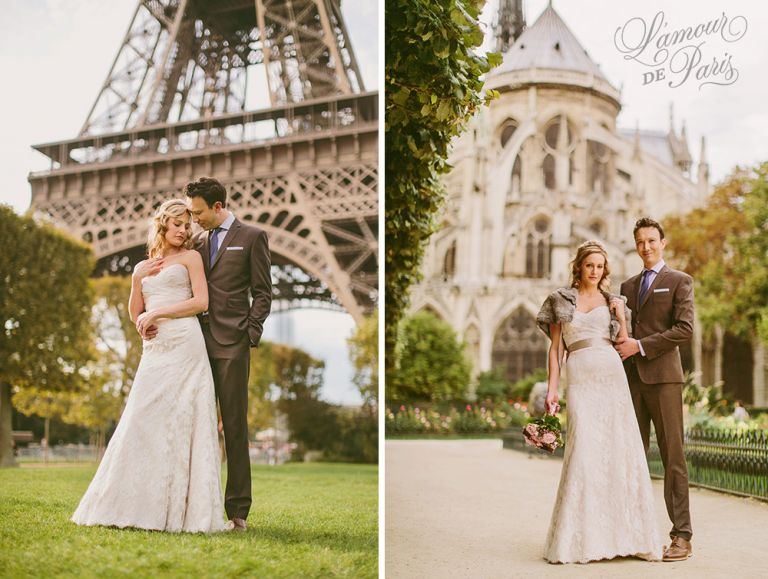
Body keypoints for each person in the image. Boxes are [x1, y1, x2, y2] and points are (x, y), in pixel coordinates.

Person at [71, 199, 229, 533]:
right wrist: (136, 283)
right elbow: (135, 314)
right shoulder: (144, 266)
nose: (184, 231)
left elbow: (202, 302)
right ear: (162, 225)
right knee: (141, 420)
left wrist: (157, 314)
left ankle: (183, 512)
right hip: (155, 349)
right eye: (178, 225)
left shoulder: (191, 258)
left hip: (185, 345)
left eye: (187, 225)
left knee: (184, 420)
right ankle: (135, 504)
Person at [536, 240, 663, 564]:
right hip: (580, 377)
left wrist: (621, 317)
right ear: (579, 266)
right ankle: (582, 539)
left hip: (610, 374)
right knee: (584, 451)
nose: (595, 271)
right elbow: (556, 350)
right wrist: (553, 389)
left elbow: (623, 342)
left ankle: (629, 536)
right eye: (590, 265)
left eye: (600, 266)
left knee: (619, 449)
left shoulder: (612, 300)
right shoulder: (560, 300)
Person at [184, 177, 272, 532]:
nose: (194, 219)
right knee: (192, 426)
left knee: (234, 427)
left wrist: (249, 333)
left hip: (232, 344)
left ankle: (237, 511)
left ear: (218, 206)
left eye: (198, 212)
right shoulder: (196, 242)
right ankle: (189, 505)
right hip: (194, 344)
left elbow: (263, 292)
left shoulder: (252, 237)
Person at [616, 217, 694, 562]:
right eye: (640, 242)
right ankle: (635, 531)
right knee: (632, 458)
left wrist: (641, 346)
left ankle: (682, 536)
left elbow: (684, 330)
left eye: (651, 240)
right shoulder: (628, 286)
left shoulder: (679, 281)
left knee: (672, 458)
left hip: (664, 380)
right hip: (631, 380)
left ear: (662, 242)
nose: (646, 247)